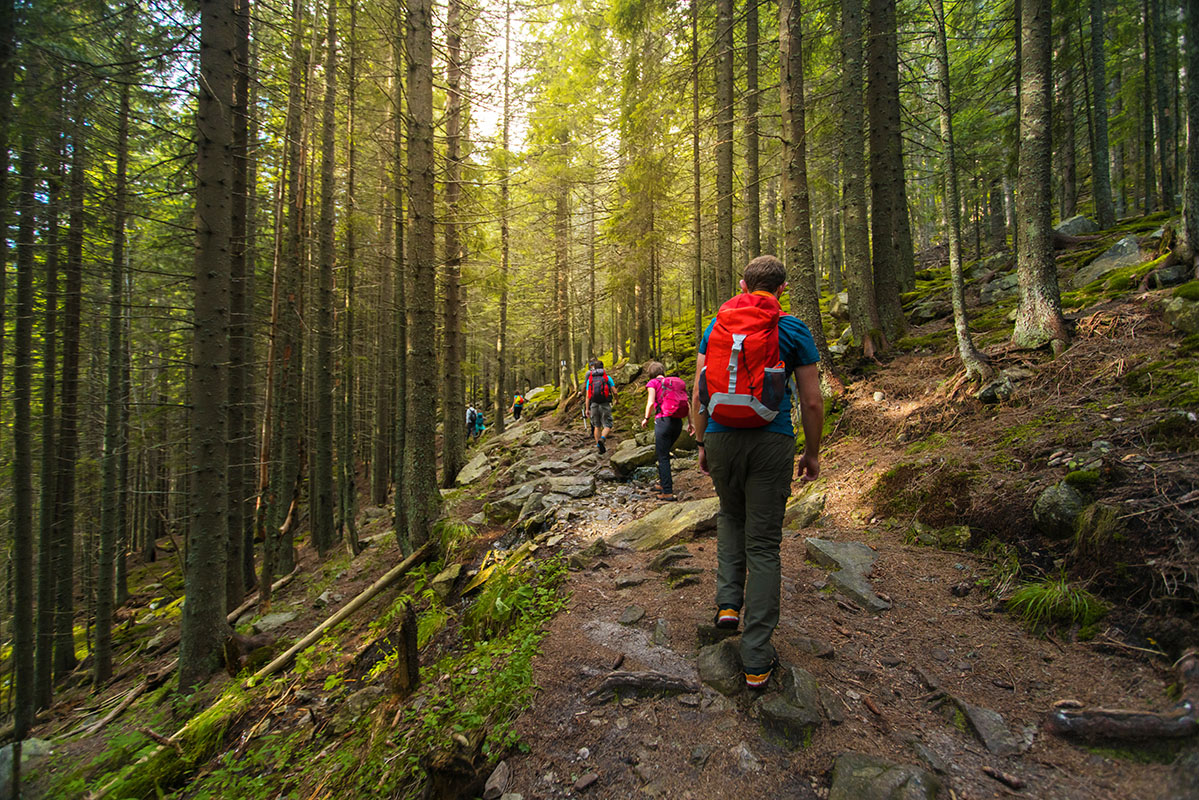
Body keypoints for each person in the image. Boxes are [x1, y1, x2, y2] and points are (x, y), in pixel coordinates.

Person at [690, 254, 824, 690]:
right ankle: (756, 659)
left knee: (730, 516)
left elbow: (699, 391)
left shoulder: (717, 326)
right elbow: (812, 401)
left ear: (744, 285)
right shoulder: (792, 328)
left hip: (722, 437)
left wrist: (702, 440)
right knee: (764, 544)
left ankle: (728, 604)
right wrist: (813, 453)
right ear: (782, 289)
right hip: (773, 440)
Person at [641, 362, 693, 501]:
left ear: (651, 373)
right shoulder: (673, 383)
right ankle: (663, 484)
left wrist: (646, 418)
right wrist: (691, 423)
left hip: (663, 421)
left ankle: (667, 492)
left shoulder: (653, 383)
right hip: (677, 422)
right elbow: (687, 403)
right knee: (663, 453)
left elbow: (651, 402)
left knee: (662, 456)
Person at [584, 359, 617, 454]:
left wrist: (587, 409)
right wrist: (617, 400)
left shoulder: (590, 379)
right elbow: (614, 391)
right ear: (603, 368)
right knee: (608, 424)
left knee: (596, 426)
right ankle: (602, 439)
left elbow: (587, 396)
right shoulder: (607, 378)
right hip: (605, 404)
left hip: (593, 404)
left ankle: (599, 447)